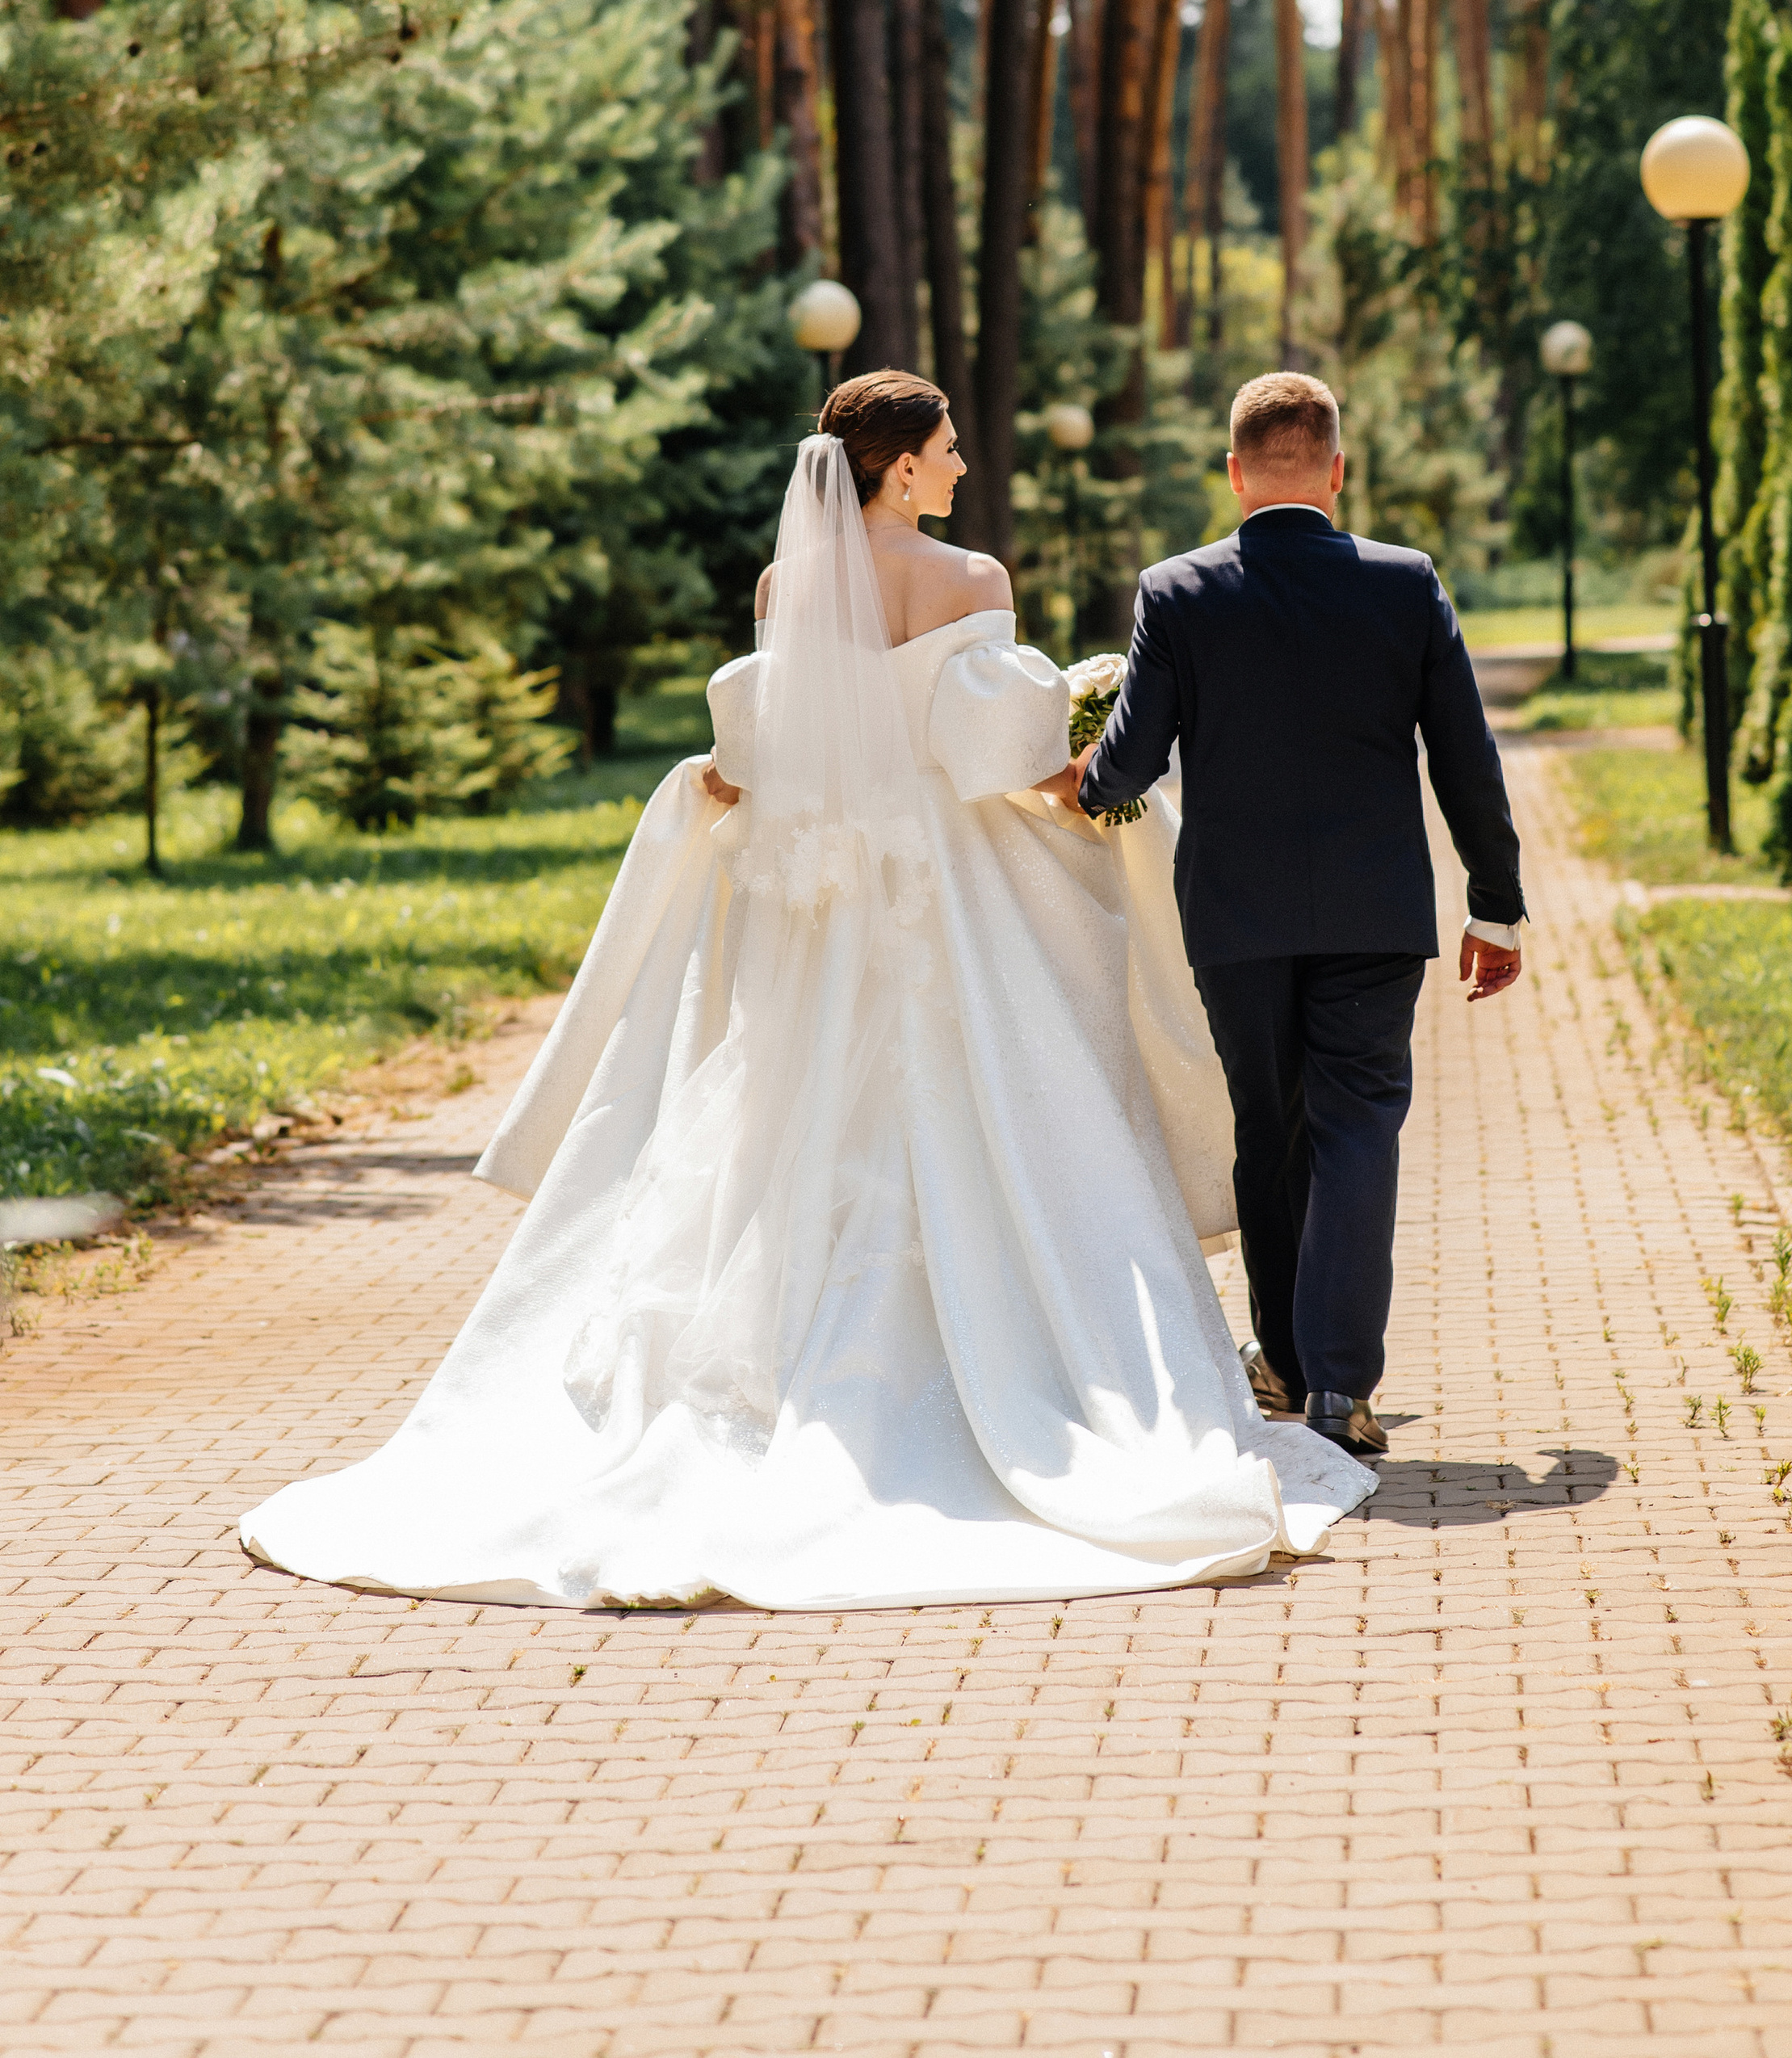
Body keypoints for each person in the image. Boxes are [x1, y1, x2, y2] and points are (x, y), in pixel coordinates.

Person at [240, 373, 1374, 1614]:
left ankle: (783, 1372)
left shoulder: (792, 588)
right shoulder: (971, 582)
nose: (958, 470)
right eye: (945, 450)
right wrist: (1095, 776)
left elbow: (782, 737)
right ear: (896, 469)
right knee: (986, 1106)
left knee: (803, 1125)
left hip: (827, 907)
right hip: (949, 897)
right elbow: (993, 754)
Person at [1051, 369, 1526, 1464]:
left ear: (1233, 472)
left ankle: (1290, 1359)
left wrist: (1075, 782)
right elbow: (1467, 757)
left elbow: (1133, 755)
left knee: (1270, 1130)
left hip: (1237, 916)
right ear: (1337, 470)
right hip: (1375, 914)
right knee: (1355, 1125)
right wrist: (1493, 907)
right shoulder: (1406, 584)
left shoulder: (1177, 590)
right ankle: (1339, 1388)